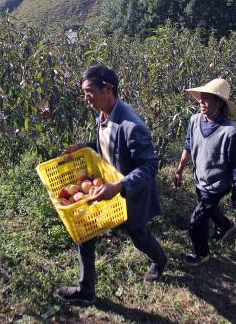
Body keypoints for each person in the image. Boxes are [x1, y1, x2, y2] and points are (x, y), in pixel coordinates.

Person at [57, 65, 167, 304]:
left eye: (89, 91)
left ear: (108, 89)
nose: (86, 98)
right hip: (106, 188)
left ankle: (159, 260)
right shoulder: (104, 114)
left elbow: (149, 166)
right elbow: (108, 146)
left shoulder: (132, 125)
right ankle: (86, 291)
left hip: (129, 194)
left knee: (139, 236)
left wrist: (118, 187)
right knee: (85, 235)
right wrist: (84, 146)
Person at [173, 78, 236, 266]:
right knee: (208, 209)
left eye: (206, 99)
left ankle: (201, 253)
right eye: (201, 98)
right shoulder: (195, 120)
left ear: (219, 103)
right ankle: (225, 224)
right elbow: (188, 146)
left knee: (196, 222)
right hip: (200, 179)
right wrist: (179, 170)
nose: (201, 102)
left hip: (218, 184)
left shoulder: (230, 133)